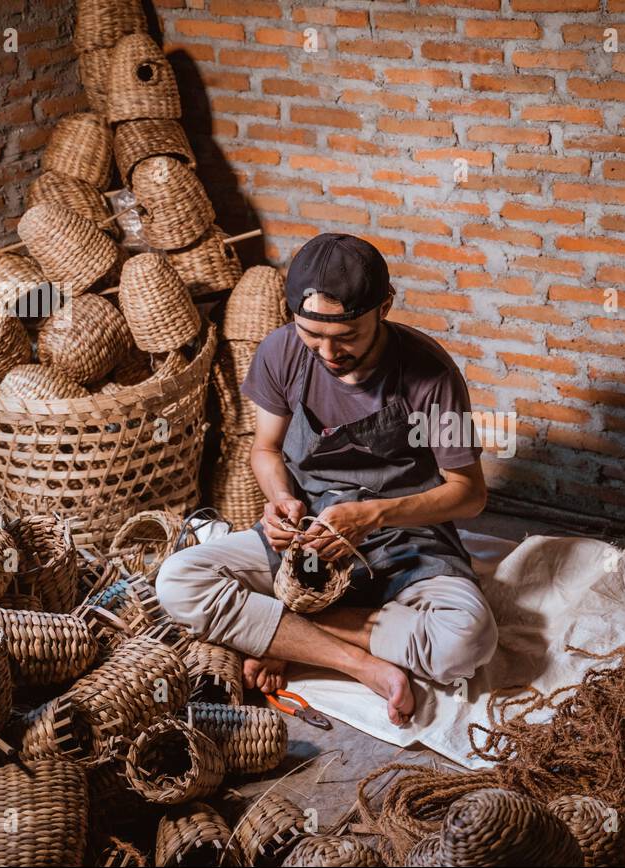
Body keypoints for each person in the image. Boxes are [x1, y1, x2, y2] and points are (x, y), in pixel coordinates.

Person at [156, 233, 498, 726]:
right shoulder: (281, 352)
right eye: (311, 334)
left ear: (385, 308)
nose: (328, 352)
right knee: (178, 580)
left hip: (405, 537)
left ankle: (295, 628)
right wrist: (279, 502)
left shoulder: (431, 374)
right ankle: (360, 663)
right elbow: (266, 450)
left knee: (468, 642)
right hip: (308, 539)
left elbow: (470, 495)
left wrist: (373, 514)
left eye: (346, 336)